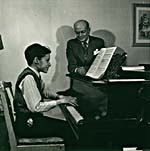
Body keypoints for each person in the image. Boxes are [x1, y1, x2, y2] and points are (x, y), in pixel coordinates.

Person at [13, 43, 77, 145]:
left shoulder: (34, 75)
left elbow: (44, 92)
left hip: (31, 121)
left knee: (68, 127)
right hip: (27, 126)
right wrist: (60, 102)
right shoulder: (29, 78)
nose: (50, 64)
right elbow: (36, 107)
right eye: (47, 60)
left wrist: (59, 96)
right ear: (36, 60)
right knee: (68, 129)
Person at [66, 19, 108, 119]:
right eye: (77, 33)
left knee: (104, 100)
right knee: (87, 105)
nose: (80, 35)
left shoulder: (98, 42)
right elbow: (71, 67)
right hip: (79, 82)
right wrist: (77, 70)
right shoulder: (71, 44)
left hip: (96, 82)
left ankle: (99, 120)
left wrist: (86, 68)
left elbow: (101, 63)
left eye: (83, 32)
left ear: (88, 30)